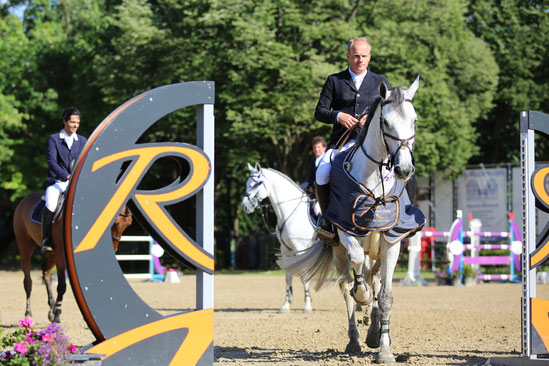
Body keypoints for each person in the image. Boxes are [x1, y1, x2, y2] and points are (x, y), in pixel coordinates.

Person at [313, 37, 391, 239]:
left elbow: (390, 111)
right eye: (356, 56)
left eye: (364, 56)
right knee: (322, 171)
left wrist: (371, 117)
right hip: (342, 142)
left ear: (370, 57)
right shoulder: (334, 80)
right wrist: (338, 116)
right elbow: (319, 112)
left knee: (403, 165)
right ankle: (327, 220)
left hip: (373, 144)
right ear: (348, 56)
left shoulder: (381, 82)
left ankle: (403, 217)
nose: (360, 60)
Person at [41, 107, 87, 253]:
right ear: (64, 121)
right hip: (58, 182)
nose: (75, 126)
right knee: (51, 203)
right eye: (72, 122)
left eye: (77, 123)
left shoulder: (82, 141)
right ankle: (46, 239)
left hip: (77, 182)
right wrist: (67, 176)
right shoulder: (54, 139)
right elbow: (52, 162)